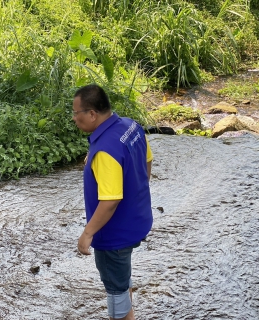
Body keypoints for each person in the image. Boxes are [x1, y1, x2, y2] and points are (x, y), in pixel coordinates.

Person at [72, 84, 153, 320]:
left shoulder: (105, 150)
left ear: (92, 114)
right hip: (137, 220)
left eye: (76, 113)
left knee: (115, 293)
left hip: (113, 234)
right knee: (122, 276)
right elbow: (147, 161)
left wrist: (88, 233)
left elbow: (110, 201)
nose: (74, 118)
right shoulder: (131, 126)